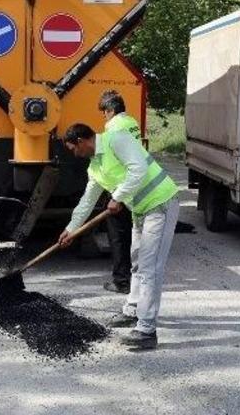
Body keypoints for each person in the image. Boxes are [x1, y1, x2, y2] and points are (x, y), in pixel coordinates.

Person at [60, 123, 180, 350]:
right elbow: (87, 201)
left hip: (161, 204)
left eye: (74, 149)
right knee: (137, 264)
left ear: (81, 141)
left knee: (149, 268)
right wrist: (71, 229)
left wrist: (117, 197)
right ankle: (133, 310)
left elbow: (138, 169)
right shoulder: (95, 167)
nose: (75, 154)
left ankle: (147, 329)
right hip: (141, 211)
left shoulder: (116, 139)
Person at [99, 90, 140, 295]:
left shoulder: (113, 127)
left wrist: (115, 195)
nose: (104, 117)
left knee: (118, 238)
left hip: (120, 187)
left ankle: (121, 281)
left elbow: (112, 159)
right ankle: (132, 280)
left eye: (104, 112)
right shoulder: (132, 123)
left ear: (111, 110)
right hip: (134, 188)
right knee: (131, 236)